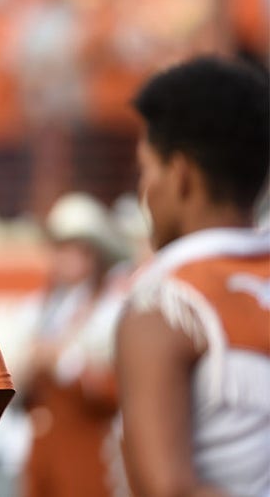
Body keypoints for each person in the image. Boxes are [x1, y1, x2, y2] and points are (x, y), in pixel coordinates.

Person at [114, 56, 270, 497]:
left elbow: (169, 492)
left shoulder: (164, 306)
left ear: (180, 176)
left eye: (146, 169)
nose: (143, 189)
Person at [20, 192, 130, 497]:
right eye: (59, 246)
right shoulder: (45, 307)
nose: (61, 257)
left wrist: (63, 361)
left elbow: (114, 388)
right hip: (45, 461)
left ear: (94, 254)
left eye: (72, 247)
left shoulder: (114, 310)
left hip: (89, 459)